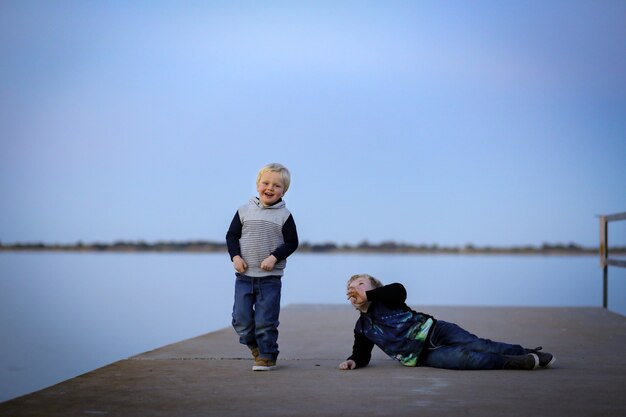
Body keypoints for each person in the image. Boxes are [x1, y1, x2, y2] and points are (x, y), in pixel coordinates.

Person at [339, 274, 555, 371]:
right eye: (352, 287)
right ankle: (518, 362)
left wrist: (371, 295)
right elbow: (362, 353)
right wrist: (353, 361)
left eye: (361, 284)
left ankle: (524, 351)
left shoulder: (387, 298)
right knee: (467, 359)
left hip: (436, 331)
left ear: (375, 289)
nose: (355, 288)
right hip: (423, 356)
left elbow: (399, 290)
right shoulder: (363, 328)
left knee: (480, 344)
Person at [226, 163, 299, 371]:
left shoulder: (284, 216)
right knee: (240, 320)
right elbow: (231, 236)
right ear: (258, 184)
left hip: (270, 279)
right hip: (244, 276)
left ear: (283, 191)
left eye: (276, 185)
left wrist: (274, 257)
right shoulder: (243, 211)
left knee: (266, 321)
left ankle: (267, 355)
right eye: (266, 183)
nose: (270, 188)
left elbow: (292, 242)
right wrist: (235, 257)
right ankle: (254, 346)